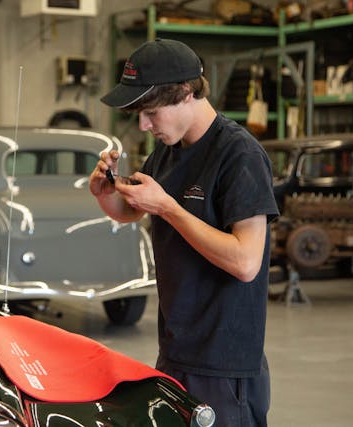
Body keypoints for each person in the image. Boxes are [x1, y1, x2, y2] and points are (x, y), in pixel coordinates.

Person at [89, 38, 279, 427]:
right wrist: (106, 194)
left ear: (188, 93)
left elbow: (245, 262)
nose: (144, 125)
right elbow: (132, 211)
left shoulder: (239, 155)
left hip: (224, 368)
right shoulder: (169, 151)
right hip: (177, 353)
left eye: (151, 113)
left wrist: (168, 208)